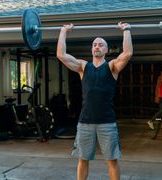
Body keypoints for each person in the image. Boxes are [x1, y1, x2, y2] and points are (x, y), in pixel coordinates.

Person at [56, 22, 133, 180]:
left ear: (106, 50)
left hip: (107, 122)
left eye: (101, 45)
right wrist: (63, 31)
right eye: (94, 45)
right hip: (85, 122)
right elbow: (61, 55)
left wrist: (126, 30)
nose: (97, 46)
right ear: (92, 49)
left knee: (112, 160)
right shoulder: (83, 67)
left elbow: (127, 53)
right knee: (83, 160)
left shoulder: (112, 66)